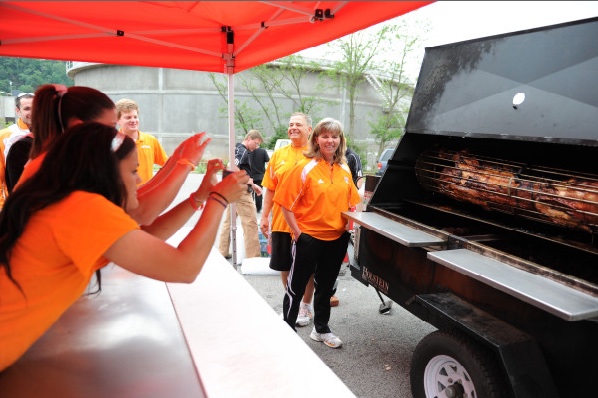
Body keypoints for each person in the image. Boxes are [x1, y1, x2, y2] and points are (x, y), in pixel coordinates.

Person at [0, 122, 250, 371]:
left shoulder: (68, 202)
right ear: (104, 173)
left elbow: (147, 236)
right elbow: (184, 268)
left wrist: (199, 197)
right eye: (133, 171)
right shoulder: (82, 209)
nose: (139, 179)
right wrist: (219, 199)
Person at [14, 84, 205, 227]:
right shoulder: (63, 171)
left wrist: (178, 163)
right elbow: (140, 213)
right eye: (110, 127)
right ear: (79, 127)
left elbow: (134, 211)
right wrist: (185, 164)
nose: (116, 134)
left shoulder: (66, 161)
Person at [274, 117, 360, 348]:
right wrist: (299, 234)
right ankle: (288, 331)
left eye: (335, 136)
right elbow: (284, 203)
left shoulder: (344, 168)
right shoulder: (304, 167)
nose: (330, 140)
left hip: (336, 239)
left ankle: (321, 329)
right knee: (296, 287)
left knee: (325, 287)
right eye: (325, 136)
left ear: (340, 141)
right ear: (316, 139)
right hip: (308, 238)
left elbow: (354, 201)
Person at [260, 112, 316, 327]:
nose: (293, 127)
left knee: (307, 267)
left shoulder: (315, 154)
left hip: (306, 222)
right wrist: (265, 216)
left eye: (299, 125)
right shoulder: (278, 154)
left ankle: (306, 304)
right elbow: (270, 189)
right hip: (282, 222)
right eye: (291, 124)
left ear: (309, 129)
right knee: (285, 266)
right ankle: (292, 301)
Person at [218, 130, 264, 259]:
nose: (257, 147)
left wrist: (252, 185)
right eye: (256, 143)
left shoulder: (237, 149)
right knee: (250, 222)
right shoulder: (242, 151)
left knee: (229, 220)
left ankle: (223, 250)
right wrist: (248, 181)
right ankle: (253, 256)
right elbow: (232, 166)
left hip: (231, 188)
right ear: (249, 138)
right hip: (241, 190)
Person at [115, 98, 168, 186]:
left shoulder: (151, 140)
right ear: (118, 121)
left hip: (147, 195)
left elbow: (167, 165)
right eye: (128, 117)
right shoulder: (112, 142)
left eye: (135, 117)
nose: (133, 120)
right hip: (122, 195)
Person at [0, 93, 34, 199]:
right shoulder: (5, 136)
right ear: (18, 111)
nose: (32, 112)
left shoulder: (49, 133)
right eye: (27, 109)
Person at [248, 145, 269, 213]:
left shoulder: (248, 151)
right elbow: (269, 163)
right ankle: (258, 208)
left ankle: (250, 208)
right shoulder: (263, 151)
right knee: (259, 192)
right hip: (260, 176)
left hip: (250, 176)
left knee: (250, 192)